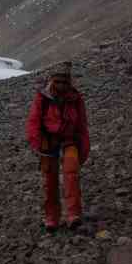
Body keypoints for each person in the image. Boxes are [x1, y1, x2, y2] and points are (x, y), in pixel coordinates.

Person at [25, 61, 90, 232]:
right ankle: (51, 217)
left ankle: (73, 215)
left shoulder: (76, 98)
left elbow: (82, 125)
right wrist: (37, 143)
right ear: (52, 80)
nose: (61, 85)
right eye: (58, 81)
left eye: (64, 81)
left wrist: (83, 149)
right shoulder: (43, 98)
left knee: (71, 175)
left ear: (69, 82)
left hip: (69, 141)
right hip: (48, 143)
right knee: (50, 181)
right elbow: (33, 122)